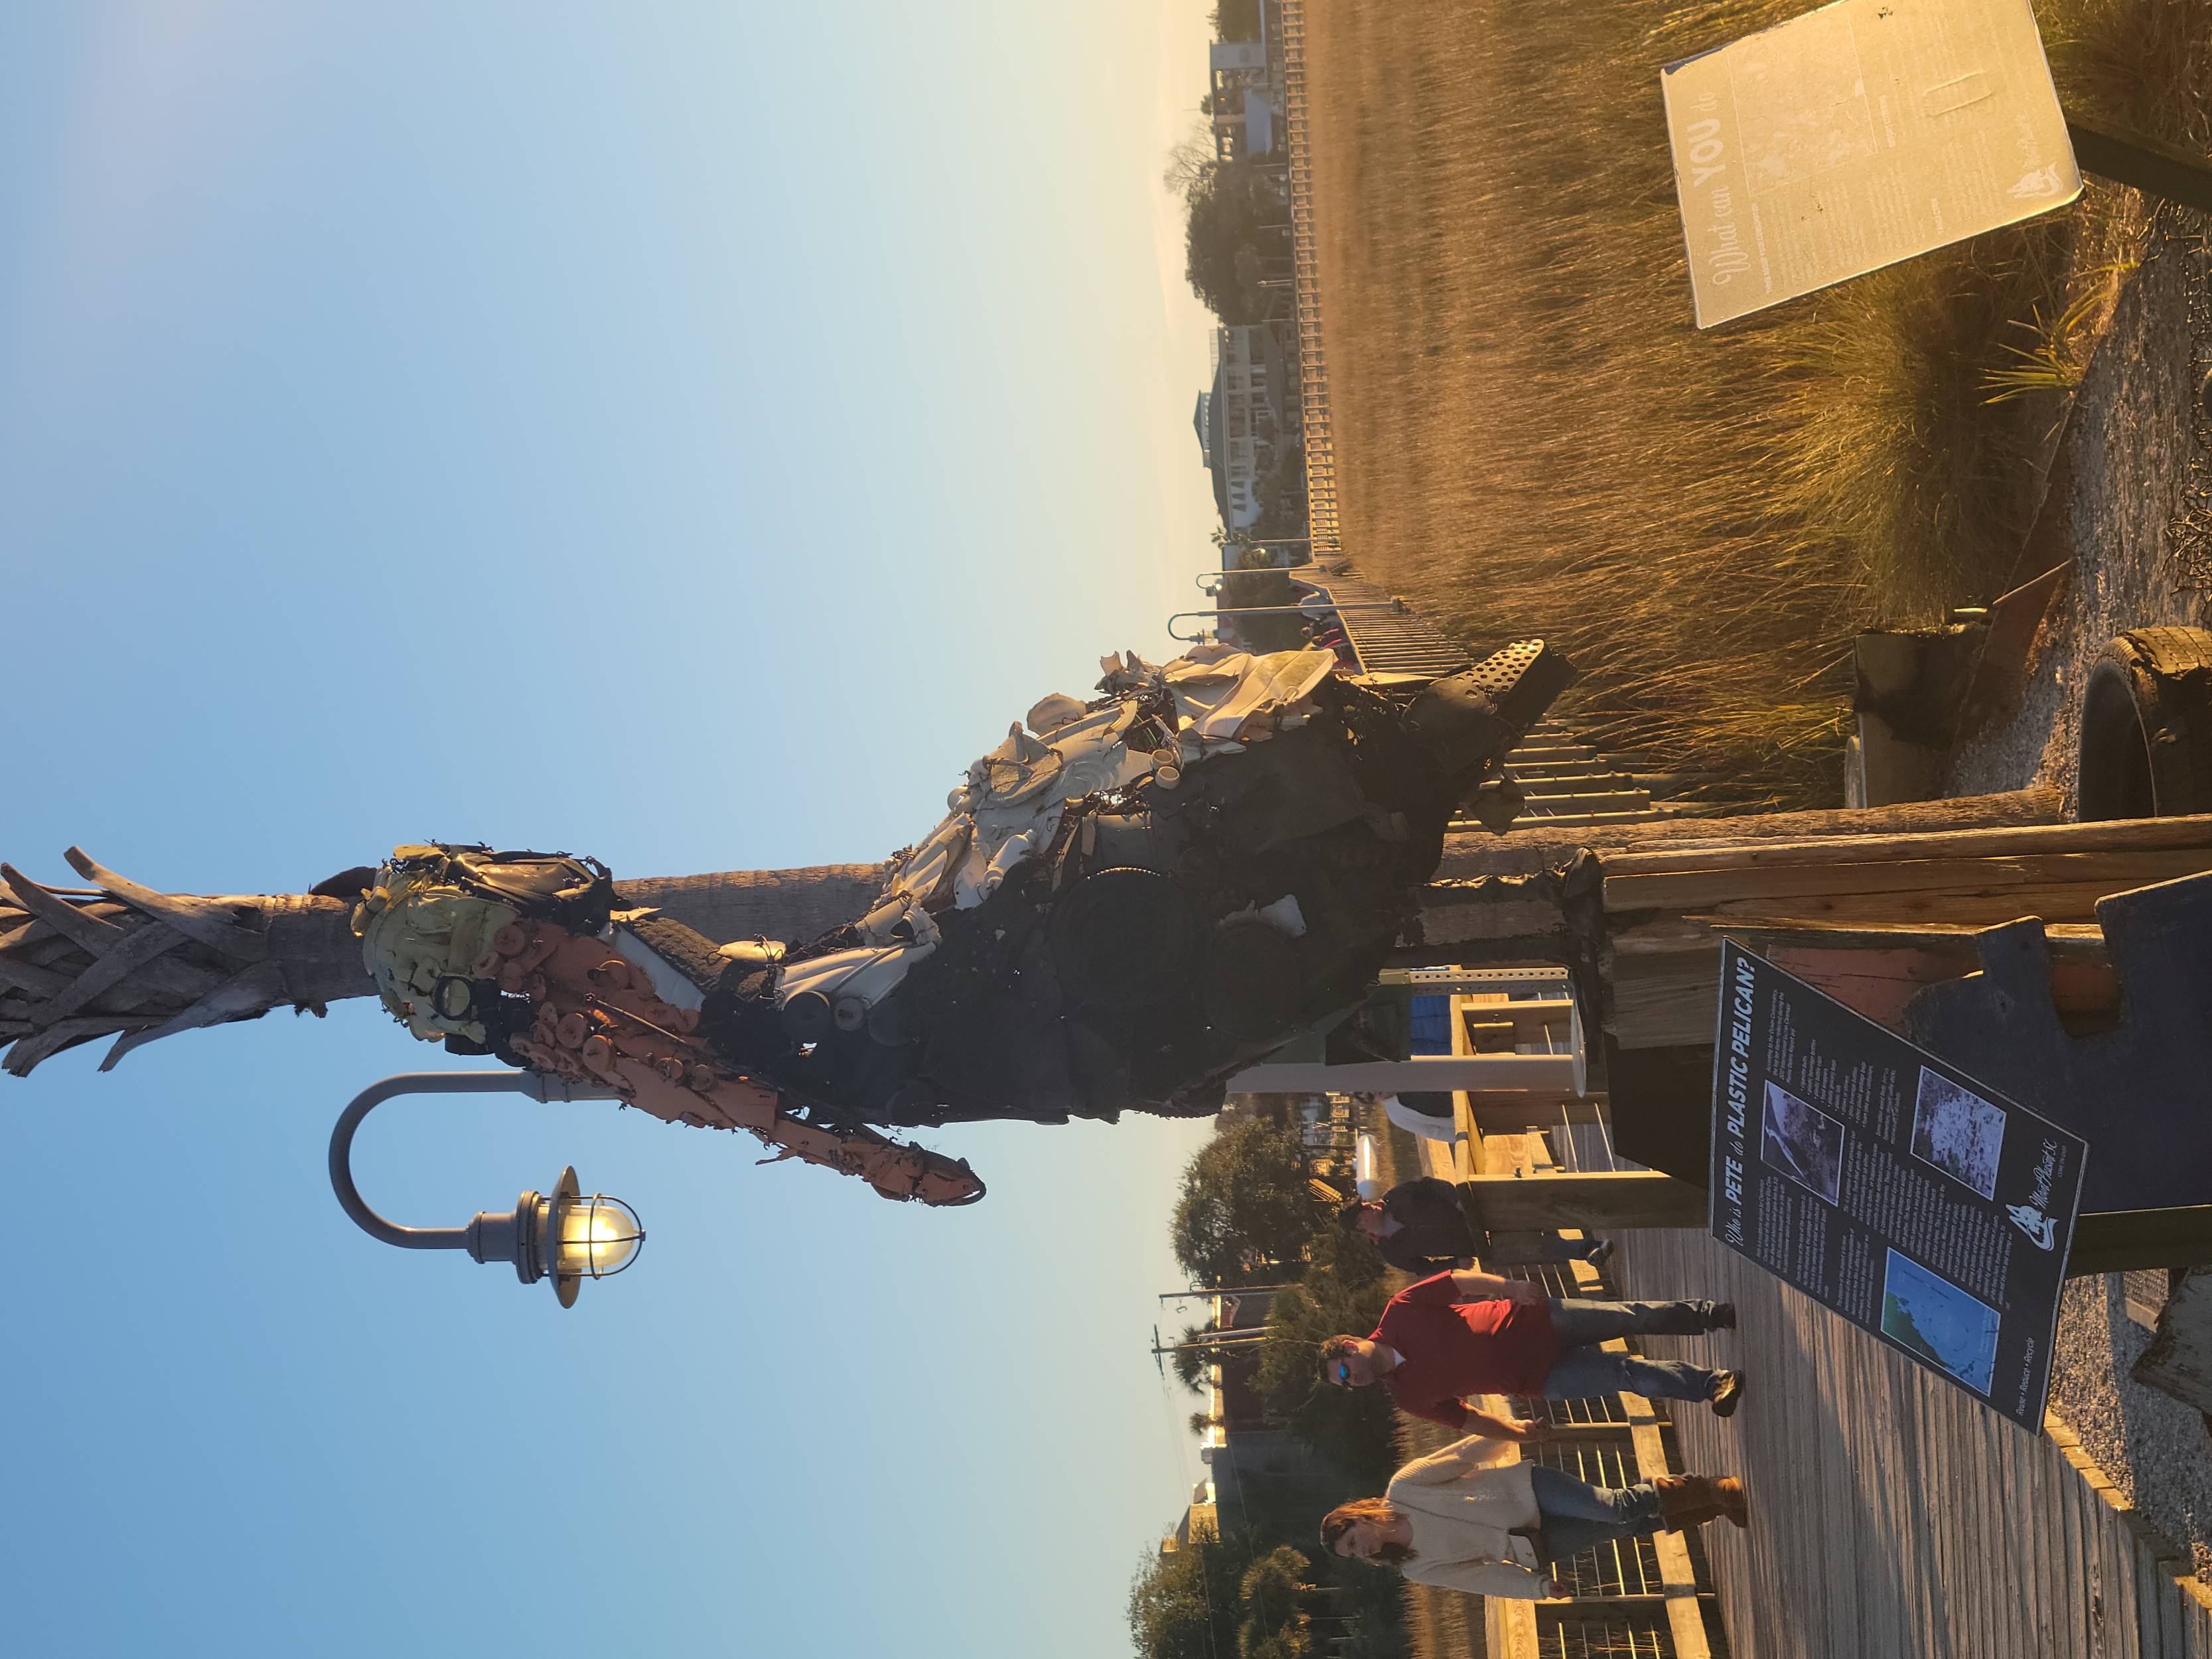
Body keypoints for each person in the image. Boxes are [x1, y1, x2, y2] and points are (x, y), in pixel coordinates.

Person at [1320, 1429, 1746, 1599]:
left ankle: (1711, 1488)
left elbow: (1461, 1456)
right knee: (1629, 1528)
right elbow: (1483, 1577)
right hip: (1532, 1544)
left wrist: (1510, 1432)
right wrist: (1538, 1589)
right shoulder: (1415, 1567)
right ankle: (1709, 1508)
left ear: (1358, 1519)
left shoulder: (1404, 1488)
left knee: (1615, 1508)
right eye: (1353, 1555)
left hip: (1528, 1490)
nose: (1361, 1551)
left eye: (1353, 1542)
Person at [1318, 1267, 1743, 1422]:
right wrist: (1517, 1434)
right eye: (1346, 1387)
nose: (1352, 1382)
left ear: (1348, 1347)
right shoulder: (1407, 1397)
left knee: (1629, 1316)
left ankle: (1707, 1315)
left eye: (1343, 1373)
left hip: (1535, 1321)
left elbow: (1457, 1282)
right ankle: (1712, 1385)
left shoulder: (1399, 1310)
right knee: (1625, 1374)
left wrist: (1510, 1287)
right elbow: (1466, 1420)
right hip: (1539, 1379)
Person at [1341, 1177, 1615, 1276]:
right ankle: (1589, 1251)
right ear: (1362, 1227)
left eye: (1363, 1209)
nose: (1367, 1212)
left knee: (1534, 1218)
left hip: (1475, 1213)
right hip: (1473, 1245)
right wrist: (1452, 1264)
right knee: (1537, 1247)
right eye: (1361, 1218)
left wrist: (1457, 1199)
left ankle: (1589, 1219)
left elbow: (1430, 1185)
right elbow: (1420, 1268)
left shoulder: (1397, 1196)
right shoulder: (1389, 1250)